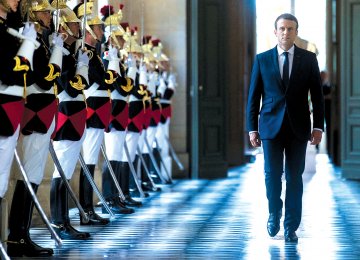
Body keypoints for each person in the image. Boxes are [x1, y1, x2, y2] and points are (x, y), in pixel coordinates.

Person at [246, 13, 324, 243]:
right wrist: (252, 128)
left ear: (296, 32)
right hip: (270, 128)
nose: (286, 32)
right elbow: (253, 97)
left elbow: (318, 97)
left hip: (299, 127)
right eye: (282, 28)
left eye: (290, 29)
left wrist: (318, 126)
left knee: (294, 177)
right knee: (271, 176)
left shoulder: (309, 59)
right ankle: (274, 212)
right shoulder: (262, 60)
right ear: (275, 31)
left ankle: (291, 226)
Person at [7, 0, 63, 256]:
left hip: (43, 110)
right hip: (35, 111)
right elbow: (42, 79)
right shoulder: (34, 42)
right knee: (28, 175)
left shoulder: (42, 40)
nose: (48, 17)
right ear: (33, 13)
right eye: (44, 12)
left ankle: (22, 234)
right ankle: (17, 236)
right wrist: (56, 59)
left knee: (34, 174)